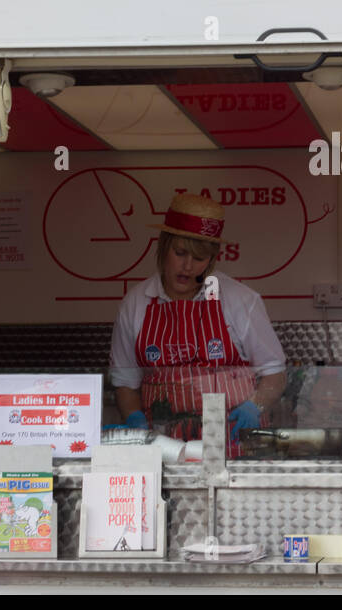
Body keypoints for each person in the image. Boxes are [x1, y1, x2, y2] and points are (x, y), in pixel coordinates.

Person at [109, 193, 286, 455]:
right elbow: (126, 383)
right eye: (180, 253)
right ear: (162, 246)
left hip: (235, 445)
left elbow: (275, 372)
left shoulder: (239, 300)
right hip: (165, 450)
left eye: (199, 258)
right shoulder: (135, 304)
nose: (188, 266)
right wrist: (135, 420)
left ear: (212, 259)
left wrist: (255, 406)